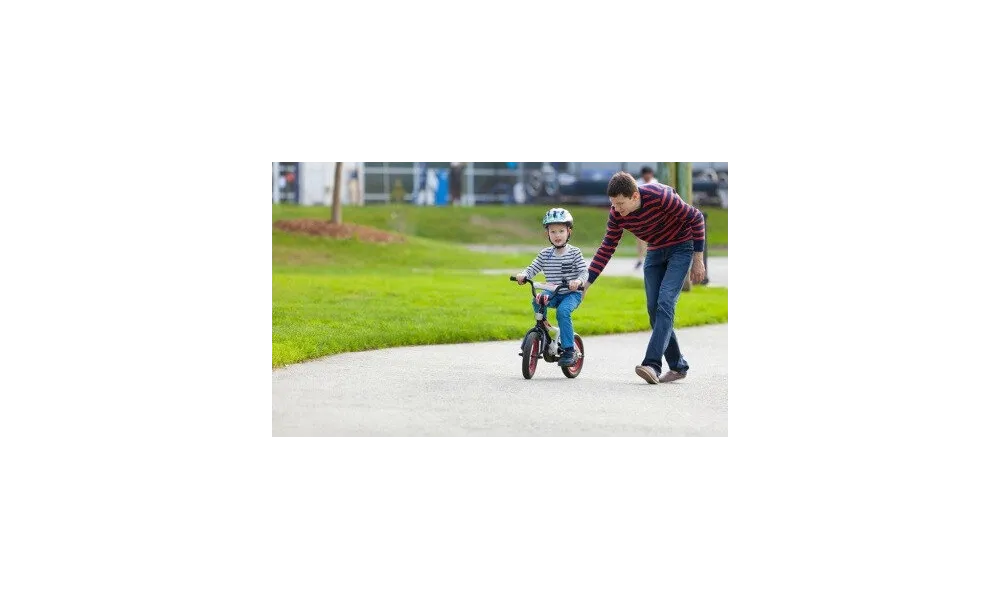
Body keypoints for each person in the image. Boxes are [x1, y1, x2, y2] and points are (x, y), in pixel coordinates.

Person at [586, 172, 706, 385]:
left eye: (621, 204)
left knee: (665, 302)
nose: (617, 209)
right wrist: (587, 283)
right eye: (613, 204)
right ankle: (678, 365)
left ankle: (652, 364)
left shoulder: (659, 196)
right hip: (655, 251)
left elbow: (696, 217)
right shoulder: (616, 214)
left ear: (634, 196)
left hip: (681, 247)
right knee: (653, 308)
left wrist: (698, 260)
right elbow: (607, 248)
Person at [514, 208, 588, 367]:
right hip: (554, 292)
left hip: (571, 293)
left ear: (569, 232)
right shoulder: (545, 254)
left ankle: (569, 350)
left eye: (561, 231)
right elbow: (533, 267)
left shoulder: (575, 253)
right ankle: (544, 332)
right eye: (553, 231)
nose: (557, 235)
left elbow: (584, 271)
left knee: (563, 312)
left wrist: (578, 281)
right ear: (547, 234)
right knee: (537, 300)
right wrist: (524, 274)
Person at [634, 166, 658, 269]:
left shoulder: (655, 182)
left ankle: (653, 258)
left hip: (653, 214)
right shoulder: (637, 184)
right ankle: (640, 258)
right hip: (641, 214)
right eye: (646, 174)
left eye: (649, 173)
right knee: (640, 238)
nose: (648, 176)